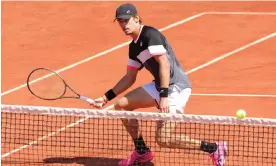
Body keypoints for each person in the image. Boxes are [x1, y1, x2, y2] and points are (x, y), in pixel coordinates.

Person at [91, 3, 227, 166]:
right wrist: (105, 97)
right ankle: (142, 152)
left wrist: (164, 96)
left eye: (127, 20)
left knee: (164, 139)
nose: (124, 25)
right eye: (120, 21)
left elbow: (164, 63)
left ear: (136, 18)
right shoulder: (133, 47)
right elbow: (129, 77)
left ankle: (214, 148)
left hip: (176, 88)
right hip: (160, 86)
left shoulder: (150, 34)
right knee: (121, 106)